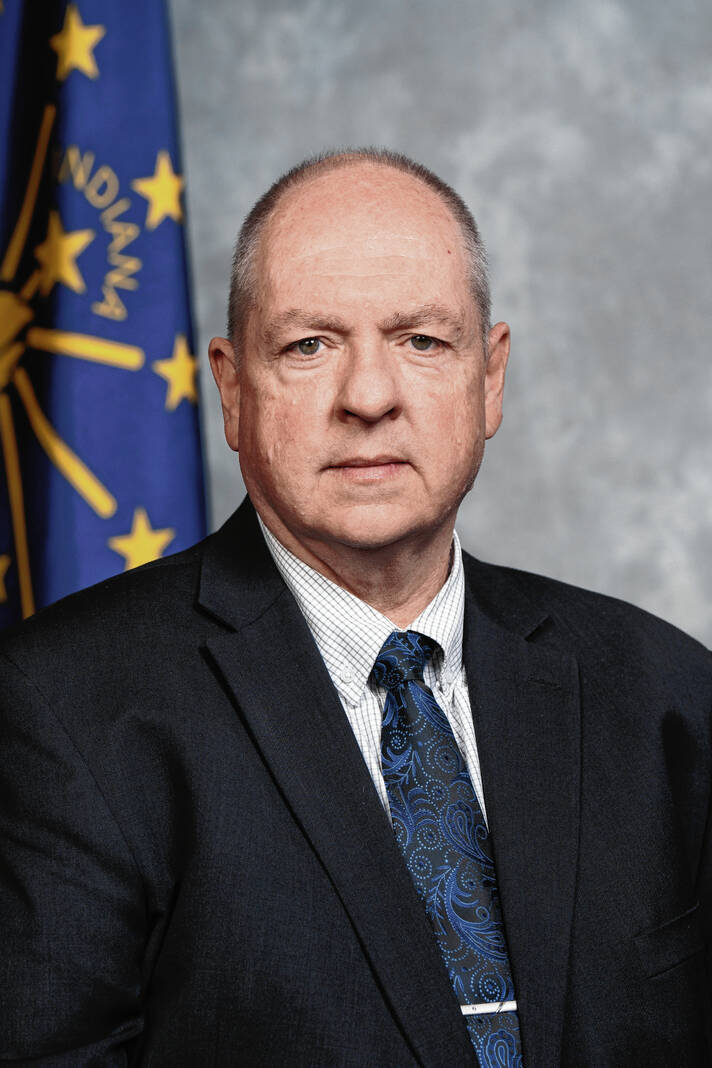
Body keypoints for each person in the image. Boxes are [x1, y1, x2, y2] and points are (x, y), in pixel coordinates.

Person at [1, 149, 710, 1068]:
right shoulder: (62, 710)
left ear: (489, 378)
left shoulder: (668, 693)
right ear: (232, 388)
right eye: (309, 346)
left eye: (422, 341)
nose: (369, 397)